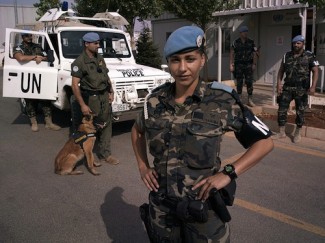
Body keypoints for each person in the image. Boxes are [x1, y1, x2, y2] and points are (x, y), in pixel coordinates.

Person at [131, 26, 274, 242]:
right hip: (162, 210)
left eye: (190, 59)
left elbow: (264, 142)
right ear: (168, 63)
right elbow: (137, 131)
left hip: (203, 211)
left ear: (202, 60)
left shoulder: (222, 100)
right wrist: (143, 166)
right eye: (175, 60)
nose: (182, 68)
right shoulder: (154, 101)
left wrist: (227, 173)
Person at [71, 32, 119, 165]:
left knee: (106, 123)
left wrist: (111, 91)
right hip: (91, 98)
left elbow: (105, 75)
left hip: (104, 96)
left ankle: (105, 154)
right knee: (90, 127)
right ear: (87, 44)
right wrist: (82, 105)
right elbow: (75, 85)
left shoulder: (100, 58)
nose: (98, 45)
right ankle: (84, 154)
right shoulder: (79, 62)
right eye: (96, 43)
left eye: (99, 43)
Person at [273, 35, 319, 143]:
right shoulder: (287, 55)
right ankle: (281, 132)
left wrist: (313, 87)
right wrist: (278, 84)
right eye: (294, 43)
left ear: (303, 43)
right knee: (282, 110)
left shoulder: (310, 56)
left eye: (298, 43)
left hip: (301, 89)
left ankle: (298, 132)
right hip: (287, 88)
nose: (296, 45)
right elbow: (281, 71)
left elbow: (315, 71)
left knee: (300, 111)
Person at [13, 32, 61, 132]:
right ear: (22, 37)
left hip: (41, 76)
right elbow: (20, 58)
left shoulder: (37, 46)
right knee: (30, 101)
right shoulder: (18, 47)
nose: (29, 37)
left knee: (46, 100)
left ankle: (49, 123)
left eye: (30, 35)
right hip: (27, 77)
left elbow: (47, 57)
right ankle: (34, 123)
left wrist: (41, 58)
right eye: (27, 36)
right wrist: (35, 57)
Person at [230, 25, 258, 107]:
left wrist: (254, 64)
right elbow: (231, 54)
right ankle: (239, 100)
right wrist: (231, 65)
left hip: (248, 65)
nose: (245, 33)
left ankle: (250, 100)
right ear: (240, 33)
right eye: (244, 32)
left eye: (246, 31)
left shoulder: (251, 42)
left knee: (249, 82)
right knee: (239, 82)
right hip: (238, 65)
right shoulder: (235, 43)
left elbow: (255, 54)